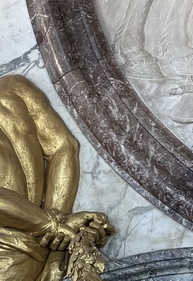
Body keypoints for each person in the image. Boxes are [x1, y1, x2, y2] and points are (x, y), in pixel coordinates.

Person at [0, 75, 110, 281]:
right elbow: (64, 147)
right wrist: (57, 225)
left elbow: (64, 147)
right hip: (31, 249)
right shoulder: (13, 87)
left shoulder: (13, 88)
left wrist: (55, 229)